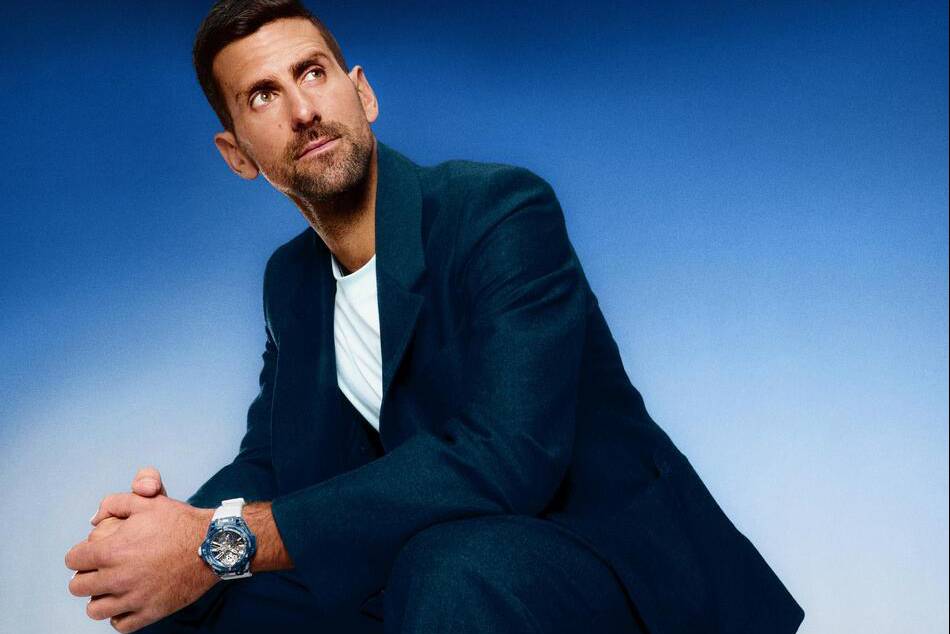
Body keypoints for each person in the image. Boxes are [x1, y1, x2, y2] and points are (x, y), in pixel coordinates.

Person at [65, 1, 806, 633]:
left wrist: (221, 540)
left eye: (313, 73)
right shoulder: (289, 281)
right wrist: (164, 534)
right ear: (237, 155)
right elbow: (271, 458)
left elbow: (506, 459)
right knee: (187, 602)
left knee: (448, 566)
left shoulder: (499, 211)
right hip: (436, 571)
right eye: (262, 96)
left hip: (606, 566)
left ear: (362, 93)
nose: (302, 110)